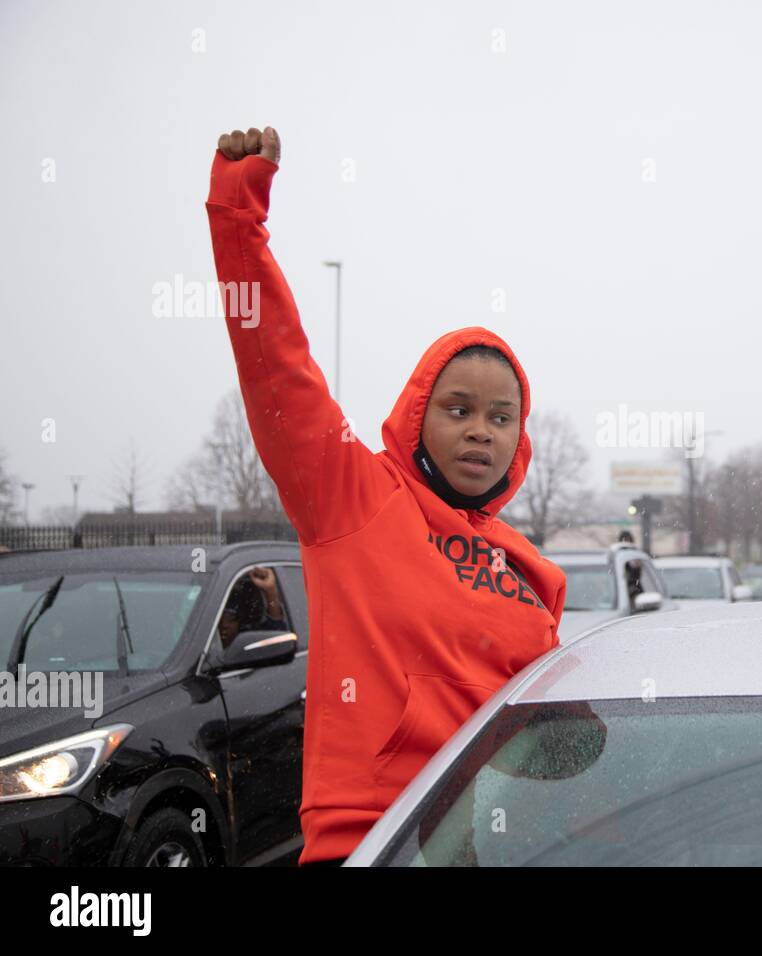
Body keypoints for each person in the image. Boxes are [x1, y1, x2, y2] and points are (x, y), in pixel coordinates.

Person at [207, 127, 566, 866]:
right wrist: (237, 215)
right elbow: (275, 363)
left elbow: (544, 735)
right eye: (458, 409)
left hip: (500, 845)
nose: (480, 433)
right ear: (416, 414)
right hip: (374, 837)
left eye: (502, 418)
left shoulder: (531, 570)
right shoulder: (352, 499)